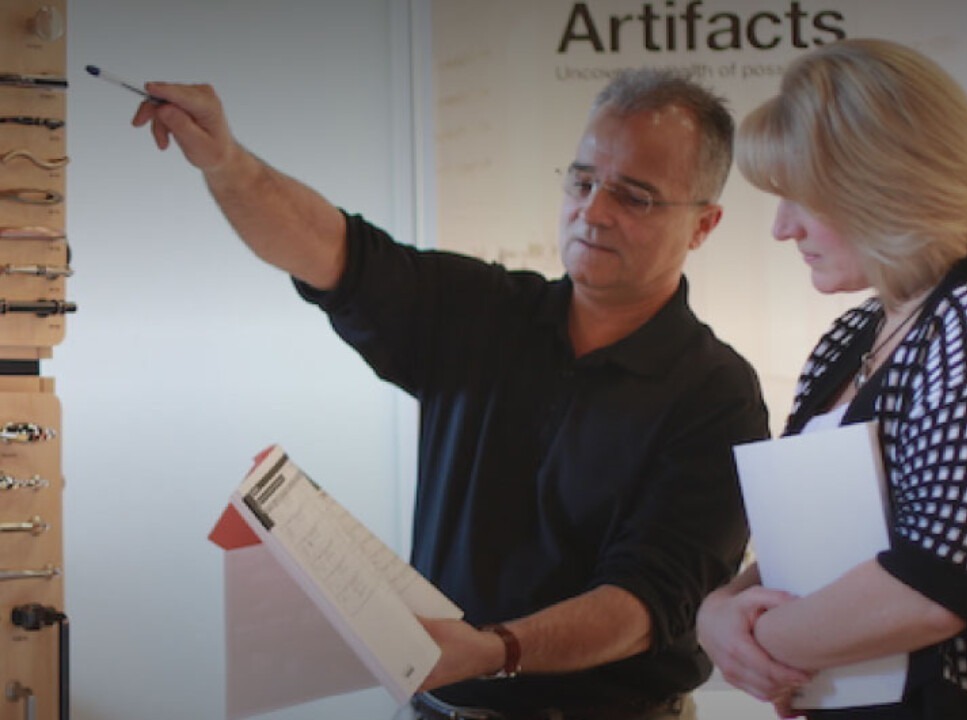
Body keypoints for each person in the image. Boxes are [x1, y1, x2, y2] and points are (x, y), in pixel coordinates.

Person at [134, 67, 769, 719]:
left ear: (703, 224)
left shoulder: (717, 395)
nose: (593, 211)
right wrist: (225, 161)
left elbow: (649, 604)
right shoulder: (487, 311)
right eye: (582, 181)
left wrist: (497, 650)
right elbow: (332, 251)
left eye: (634, 197)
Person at [695, 37, 967, 720]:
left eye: (800, 199)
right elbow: (805, 547)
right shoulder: (852, 334)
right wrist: (718, 612)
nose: (783, 228)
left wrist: (753, 643)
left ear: (883, 187)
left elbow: (941, 581)